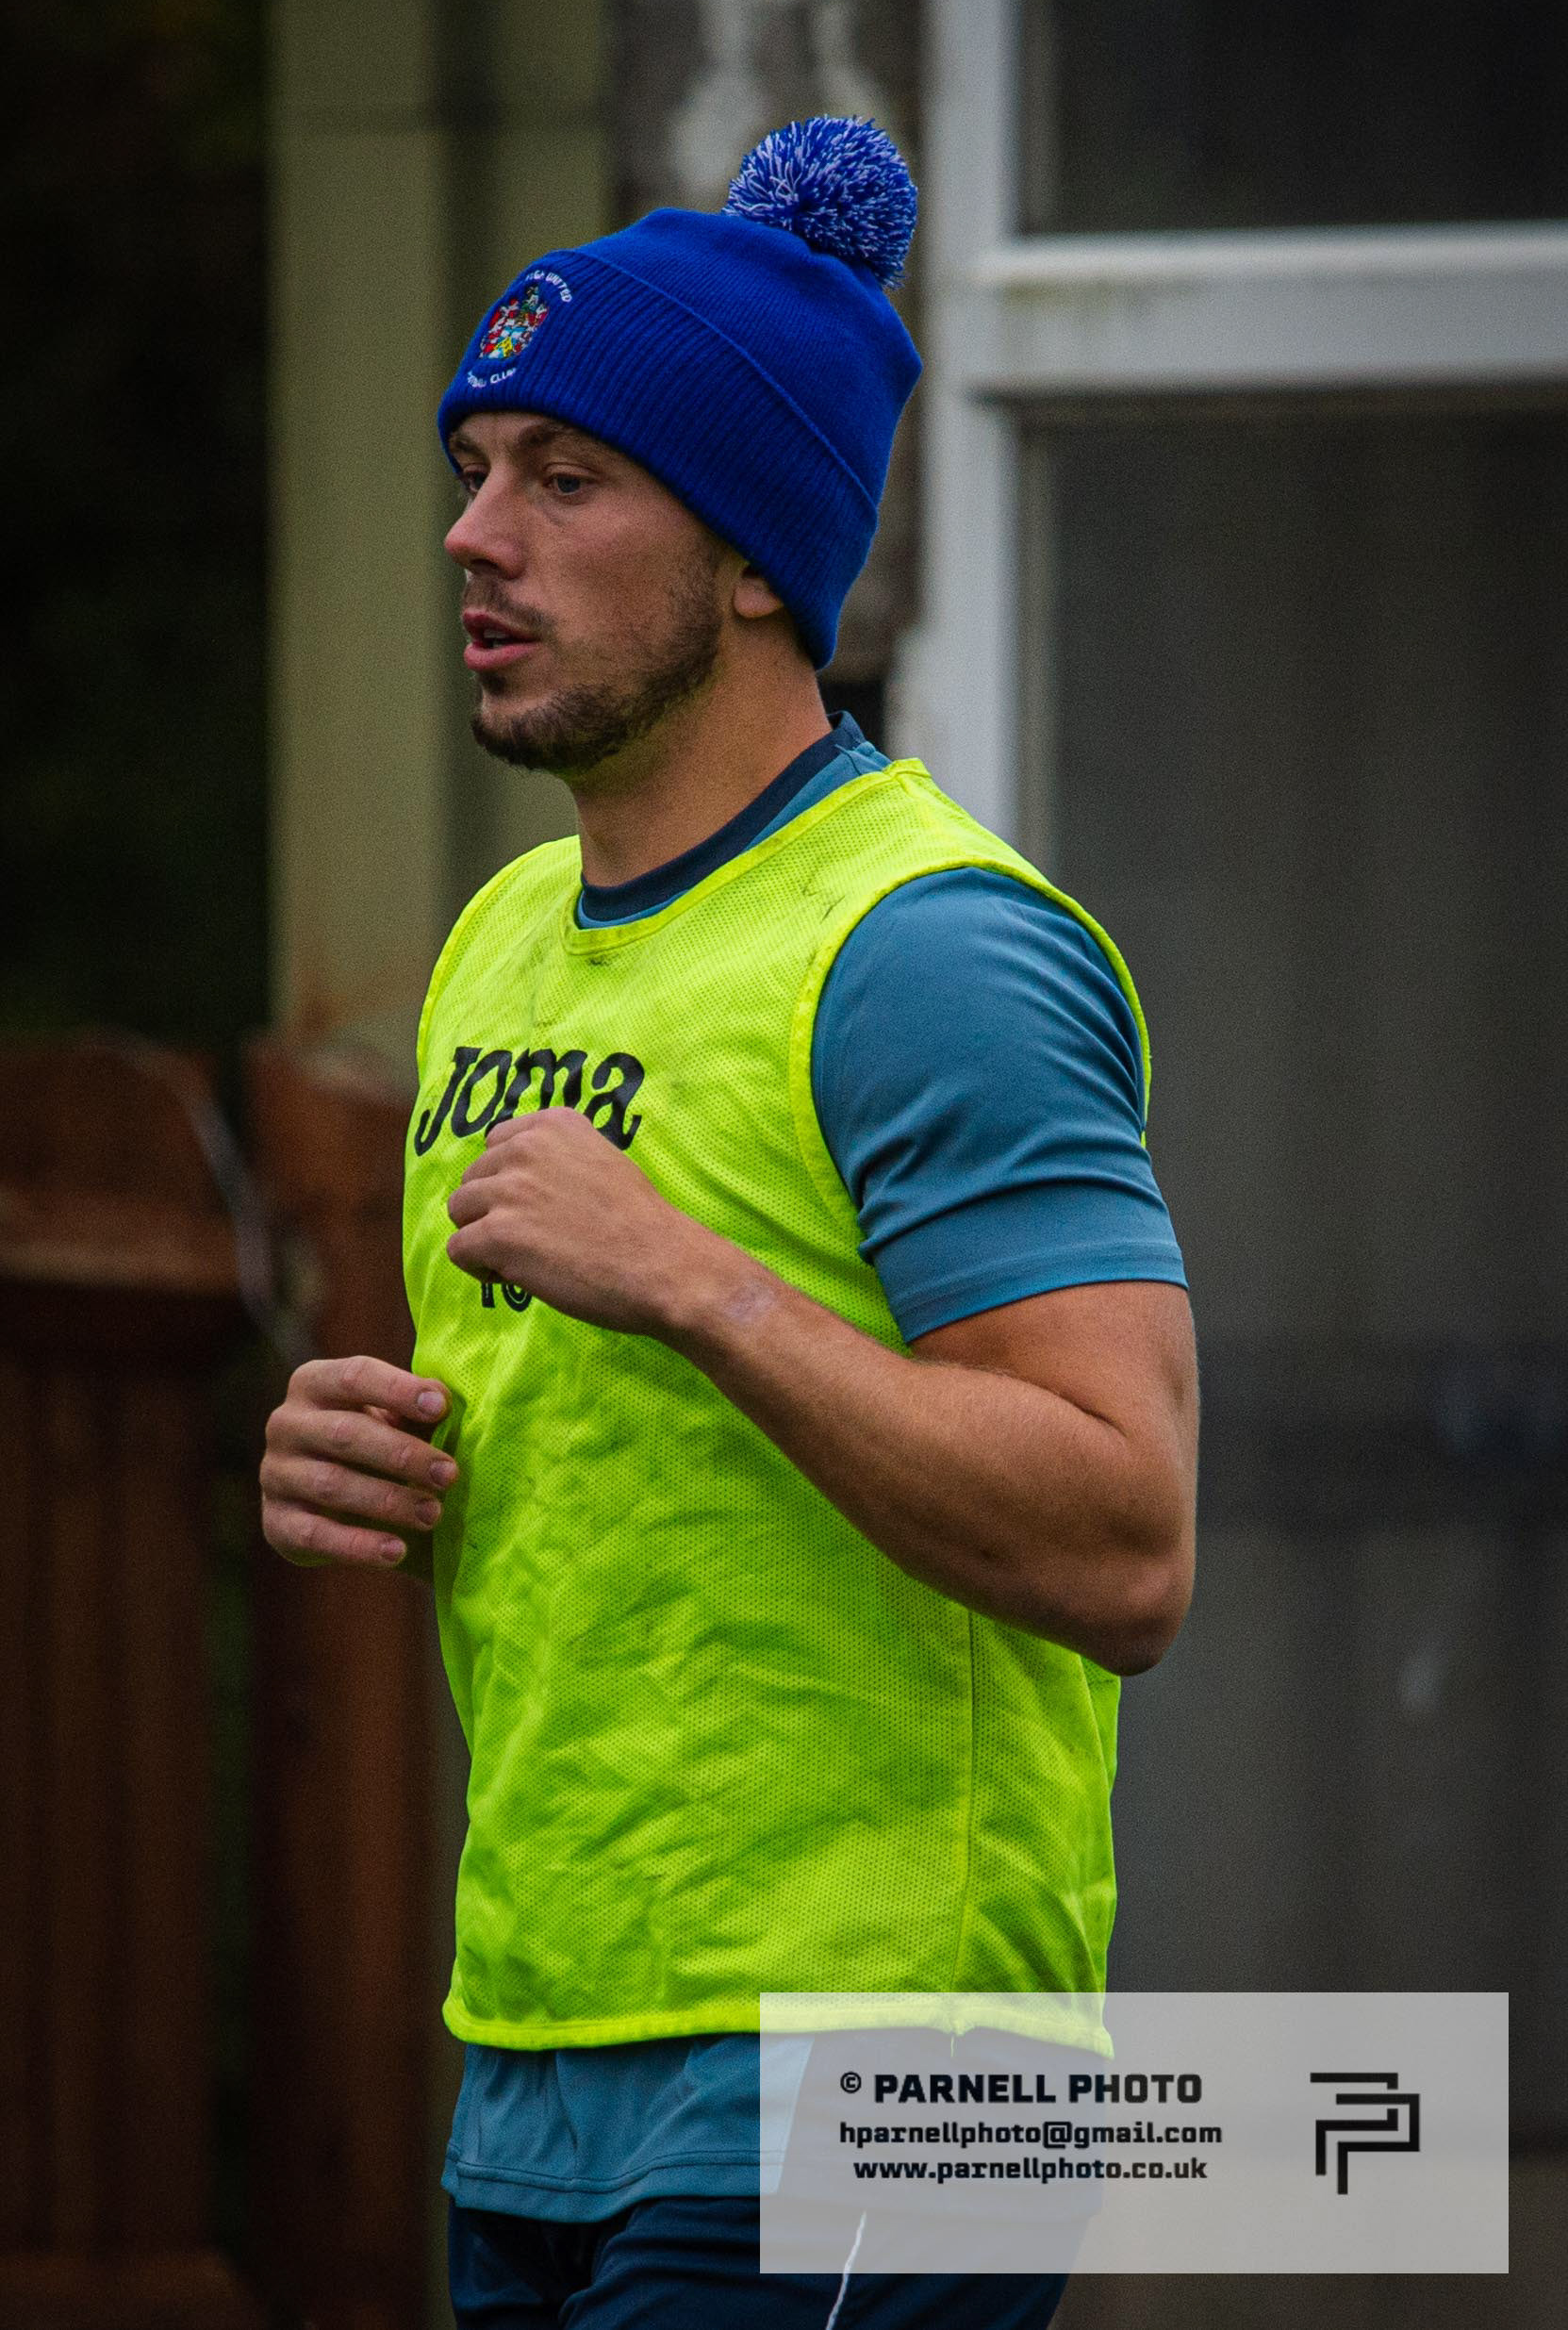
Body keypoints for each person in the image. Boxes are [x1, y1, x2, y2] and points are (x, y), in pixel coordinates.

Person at [259, 118, 1197, 2328]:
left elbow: (1125, 1537)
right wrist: (359, 1452)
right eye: (474, 470)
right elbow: (610, 1468)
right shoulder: (505, 939)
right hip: (543, 2038)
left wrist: (690, 1280)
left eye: (566, 478)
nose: (475, 534)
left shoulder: (931, 948)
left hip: (882, 2054)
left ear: (757, 555)